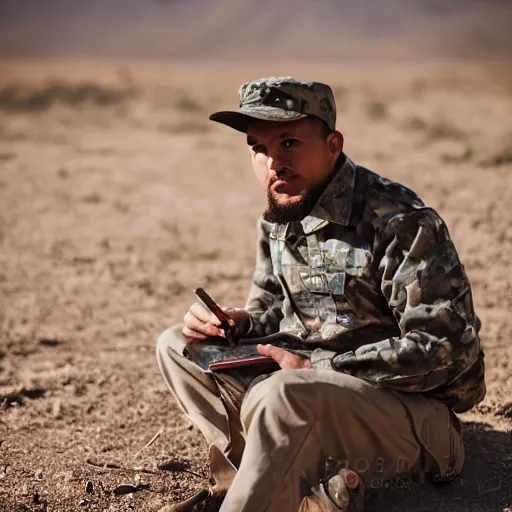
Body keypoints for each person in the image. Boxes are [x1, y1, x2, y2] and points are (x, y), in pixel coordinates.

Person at [156, 77, 485, 512]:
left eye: (289, 142)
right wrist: (243, 322)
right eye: (258, 147)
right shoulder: (281, 212)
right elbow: (275, 307)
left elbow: (445, 350)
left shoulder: (400, 221)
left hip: (416, 422)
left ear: (333, 145)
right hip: (306, 398)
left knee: (281, 395)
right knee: (178, 345)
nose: (273, 163)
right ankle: (293, 489)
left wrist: (317, 367)